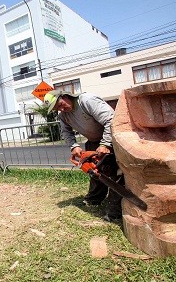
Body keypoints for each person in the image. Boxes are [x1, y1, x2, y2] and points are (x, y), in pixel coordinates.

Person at [44, 90, 123, 221]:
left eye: (61, 104)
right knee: (95, 172)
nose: (62, 109)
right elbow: (66, 132)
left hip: (113, 137)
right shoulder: (64, 115)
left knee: (116, 175)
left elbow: (111, 120)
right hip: (93, 142)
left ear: (64, 96)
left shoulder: (87, 101)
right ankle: (94, 199)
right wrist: (73, 146)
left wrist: (105, 143)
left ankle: (114, 210)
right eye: (57, 108)